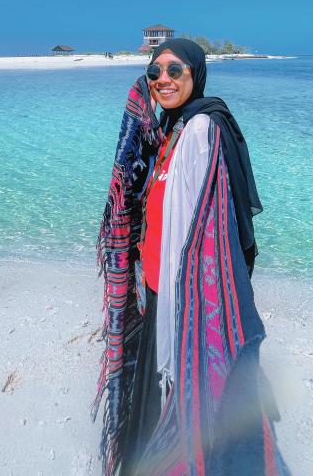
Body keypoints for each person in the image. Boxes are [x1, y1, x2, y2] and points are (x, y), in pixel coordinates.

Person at [93, 39, 290, 476]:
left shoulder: (202, 129)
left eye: (175, 70)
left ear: (196, 74)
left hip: (182, 300)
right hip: (155, 290)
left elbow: (212, 229)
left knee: (183, 404)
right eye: (154, 72)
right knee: (156, 402)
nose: (162, 79)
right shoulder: (171, 131)